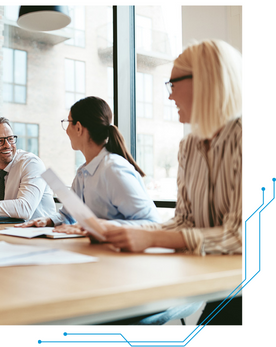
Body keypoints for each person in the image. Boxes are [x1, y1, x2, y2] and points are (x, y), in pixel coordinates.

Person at [61, 40, 243, 325]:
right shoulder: (190, 147)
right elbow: (184, 222)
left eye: (172, 85)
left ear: (204, 81)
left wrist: (151, 236)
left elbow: (244, 236)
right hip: (220, 286)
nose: (169, 97)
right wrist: (116, 230)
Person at [18, 96, 160, 230]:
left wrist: (102, 226)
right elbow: (68, 215)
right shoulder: (83, 173)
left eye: (68, 122)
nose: (66, 130)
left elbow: (151, 223)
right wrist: (48, 220)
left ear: (79, 128)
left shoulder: (114, 170)